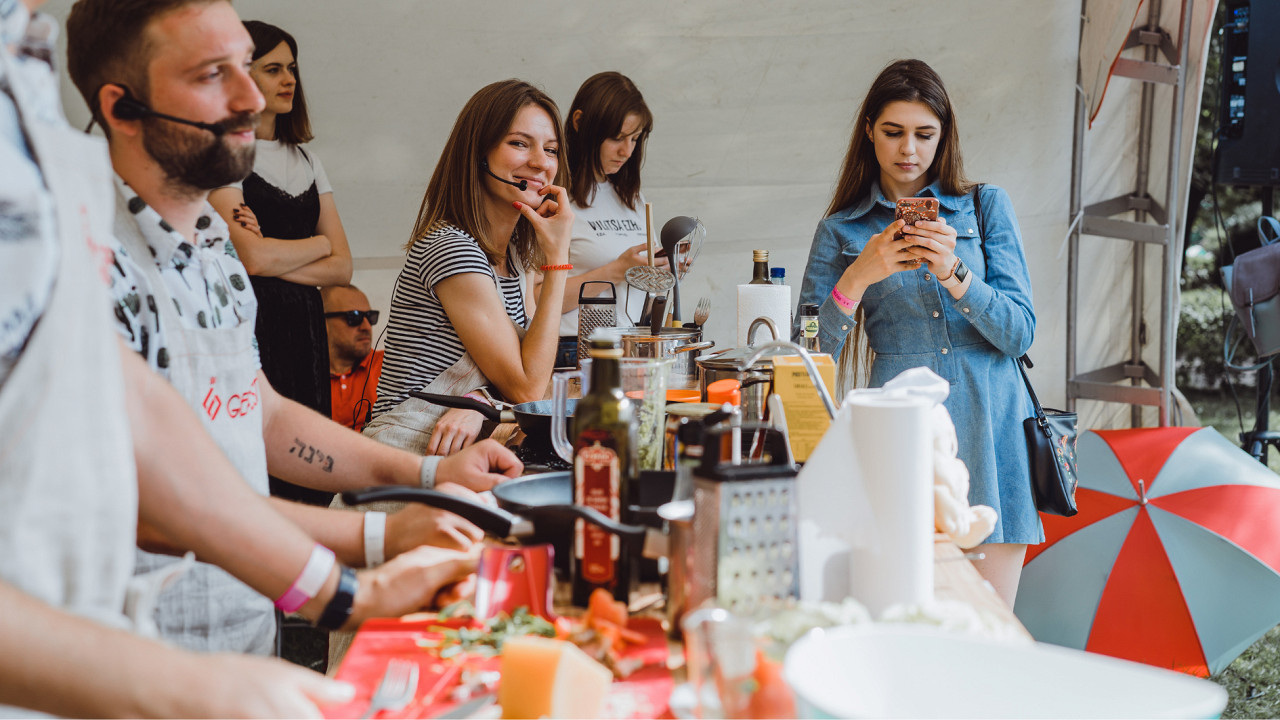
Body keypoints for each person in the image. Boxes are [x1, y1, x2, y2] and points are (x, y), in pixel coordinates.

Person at [1, 0, 469, 715]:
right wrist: (367, 546)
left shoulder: (214, 239)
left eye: (248, 67)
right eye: (213, 74)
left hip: (228, 633)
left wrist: (348, 583)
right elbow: (135, 484)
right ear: (120, 107)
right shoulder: (98, 239)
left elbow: (230, 413)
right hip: (113, 662)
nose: (252, 97)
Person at [794, 59, 1040, 607]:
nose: (909, 149)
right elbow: (806, 356)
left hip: (993, 427)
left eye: (924, 134)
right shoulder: (841, 229)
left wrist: (955, 273)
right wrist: (858, 277)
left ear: (944, 136)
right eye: (893, 131)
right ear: (869, 131)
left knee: (990, 625)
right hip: (900, 435)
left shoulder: (986, 206)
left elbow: (1020, 332)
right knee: (904, 615)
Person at [368, 79, 574, 457]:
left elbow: (538, 379)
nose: (541, 162)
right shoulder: (453, 249)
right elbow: (527, 389)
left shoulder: (515, 258)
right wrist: (558, 258)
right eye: (519, 143)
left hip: (457, 456)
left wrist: (481, 401)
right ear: (478, 153)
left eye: (551, 149)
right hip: (405, 454)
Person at [209, 20, 351, 506]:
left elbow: (343, 267)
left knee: (309, 459)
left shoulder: (308, 160)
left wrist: (273, 252)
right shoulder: (224, 153)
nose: (289, 79)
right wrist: (317, 243)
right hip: (255, 322)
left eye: (291, 68)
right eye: (273, 69)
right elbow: (249, 258)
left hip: (307, 326)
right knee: (262, 460)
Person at [548, 71, 661, 366]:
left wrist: (668, 267)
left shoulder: (631, 197)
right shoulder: (555, 196)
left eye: (635, 139)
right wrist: (616, 270)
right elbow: (535, 301)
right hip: (573, 349)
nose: (627, 151)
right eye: (616, 138)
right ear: (579, 123)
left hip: (632, 345)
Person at [323, 284, 383, 432]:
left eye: (370, 316)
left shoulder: (391, 365)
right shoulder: (299, 379)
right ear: (322, 322)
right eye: (354, 317)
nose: (366, 326)